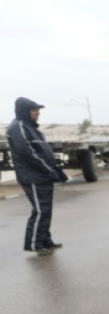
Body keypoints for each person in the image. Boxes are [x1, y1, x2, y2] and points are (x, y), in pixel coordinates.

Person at [6, 97, 68, 255]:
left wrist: (56, 170)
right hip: (33, 176)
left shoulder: (32, 128)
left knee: (45, 209)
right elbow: (27, 152)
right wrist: (48, 169)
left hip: (42, 176)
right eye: (34, 111)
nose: (37, 113)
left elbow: (42, 151)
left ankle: (45, 240)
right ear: (25, 111)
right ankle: (35, 244)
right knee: (40, 210)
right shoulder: (18, 127)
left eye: (38, 111)